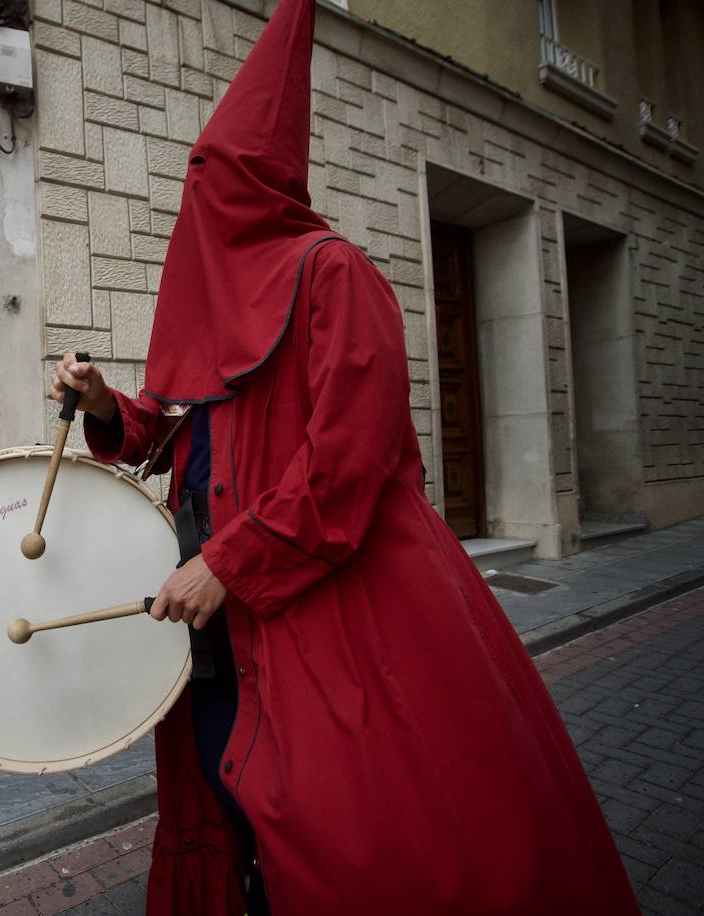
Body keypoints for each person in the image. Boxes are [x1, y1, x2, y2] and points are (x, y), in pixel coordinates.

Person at [48, 0, 641, 913]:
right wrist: (103, 406)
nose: (200, 204)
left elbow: (347, 468)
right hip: (213, 621)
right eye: (194, 182)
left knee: (344, 829)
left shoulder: (337, 275)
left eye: (220, 179)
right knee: (225, 797)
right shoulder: (209, 311)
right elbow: (175, 433)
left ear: (260, 188)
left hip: (325, 609)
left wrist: (229, 566)